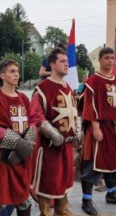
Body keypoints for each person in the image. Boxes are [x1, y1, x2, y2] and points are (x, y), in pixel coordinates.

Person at [79, 47, 116, 213]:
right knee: (92, 163)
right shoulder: (93, 81)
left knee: (113, 161)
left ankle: (112, 194)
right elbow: (89, 105)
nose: (110, 61)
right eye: (107, 58)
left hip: (115, 129)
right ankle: (86, 200)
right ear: (100, 60)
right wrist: (95, 127)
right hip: (100, 129)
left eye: (112, 58)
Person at [0, 59, 39, 216]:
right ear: (2, 75)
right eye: (12, 71)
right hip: (4, 156)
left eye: (17, 71)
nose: (16, 74)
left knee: (23, 198)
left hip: (22, 158)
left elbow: (33, 120)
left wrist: (28, 142)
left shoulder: (23, 98)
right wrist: (19, 143)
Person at [33, 48, 78, 214]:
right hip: (50, 147)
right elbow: (36, 116)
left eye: (67, 62)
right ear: (52, 65)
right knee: (48, 181)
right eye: (62, 61)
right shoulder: (42, 88)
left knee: (63, 181)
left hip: (67, 146)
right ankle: (45, 213)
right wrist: (54, 135)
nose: (66, 64)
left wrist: (77, 132)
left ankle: (62, 210)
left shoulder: (69, 87)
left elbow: (75, 113)